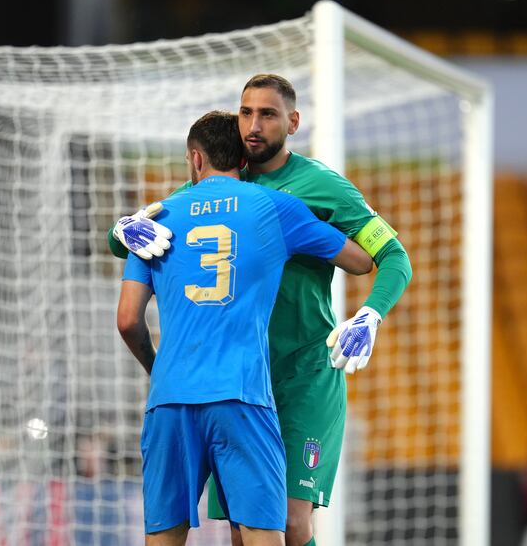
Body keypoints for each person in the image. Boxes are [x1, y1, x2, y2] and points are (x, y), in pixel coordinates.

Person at [111, 74, 412, 546]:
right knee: (243, 530)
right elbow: (154, 223)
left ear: (293, 122)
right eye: (245, 112)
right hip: (240, 379)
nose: (252, 125)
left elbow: (392, 257)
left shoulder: (322, 187)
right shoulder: (229, 178)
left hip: (303, 373)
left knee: (290, 523)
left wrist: (370, 314)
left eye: (267, 114)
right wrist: (120, 230)